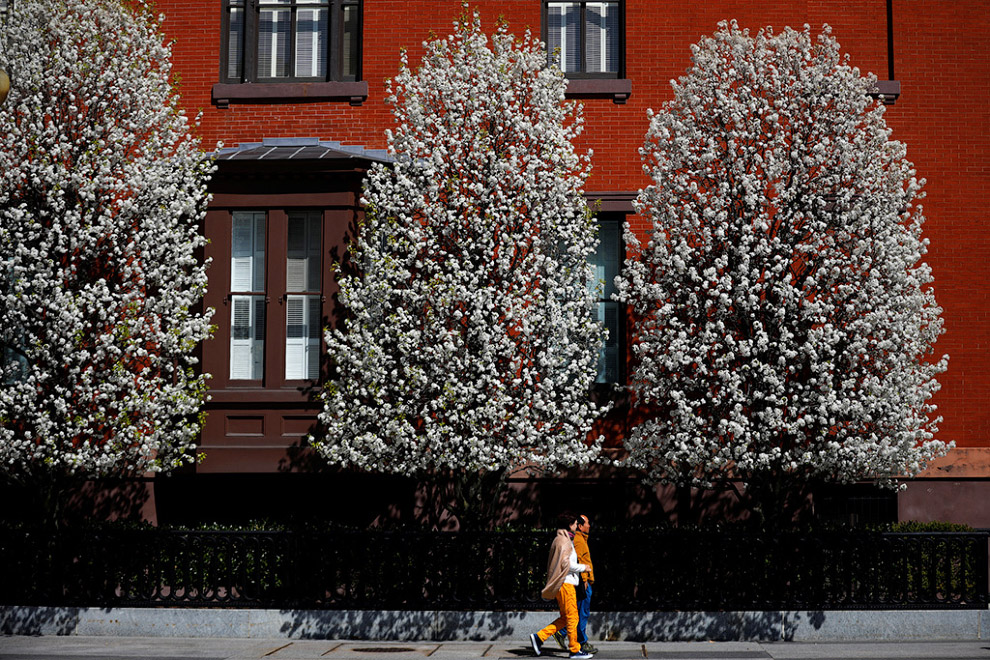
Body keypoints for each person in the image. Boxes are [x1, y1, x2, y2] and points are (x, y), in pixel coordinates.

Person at [528, 513, 593, 659]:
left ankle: (538, 638)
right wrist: (584, 568)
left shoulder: (560, 539)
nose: (577, 526)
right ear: (570, 525)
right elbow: (566, 564)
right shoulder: (565, 541)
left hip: (563, 584)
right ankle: (575, 650)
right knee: (573, 618)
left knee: (565, 618)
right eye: (576, 524)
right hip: (566, 584)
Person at [552, 514, 597, 654]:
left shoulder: (581, 539)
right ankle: (581, 643)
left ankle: (562, 633)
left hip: (583, 581)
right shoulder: (577, 540)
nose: (589, 526)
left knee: (576, 613)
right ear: (580, 526)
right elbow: (576, 561)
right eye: (587, 523)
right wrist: (584, 579)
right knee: (581, 613)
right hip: (582, 583)